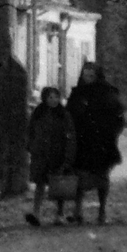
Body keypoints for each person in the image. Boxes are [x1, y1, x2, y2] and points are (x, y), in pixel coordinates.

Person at [66, 60, 125, 225]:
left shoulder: (108, 93)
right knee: (78, 175)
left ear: (98, 76)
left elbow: (118, 117)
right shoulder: (77, 93)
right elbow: (69, 115)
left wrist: (111, 133)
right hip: (82, 140)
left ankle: (102, 211)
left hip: (102, 141)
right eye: (85, 75)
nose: (88, 78)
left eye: (91, 75)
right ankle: (77, 210)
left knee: (101, 176)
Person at [24, 85, 76, 227]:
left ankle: (59, 214)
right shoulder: (38, 113)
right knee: (40, 184)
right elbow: (30, 131)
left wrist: (68, 155)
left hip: (57, 154)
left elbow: (70, 136)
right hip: (41, 155)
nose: (53, 100)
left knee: (59, 185)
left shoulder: (63, 115)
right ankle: (36, 212)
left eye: (56, 97)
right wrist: (31, 146)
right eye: (50, 97)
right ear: (44, 98)